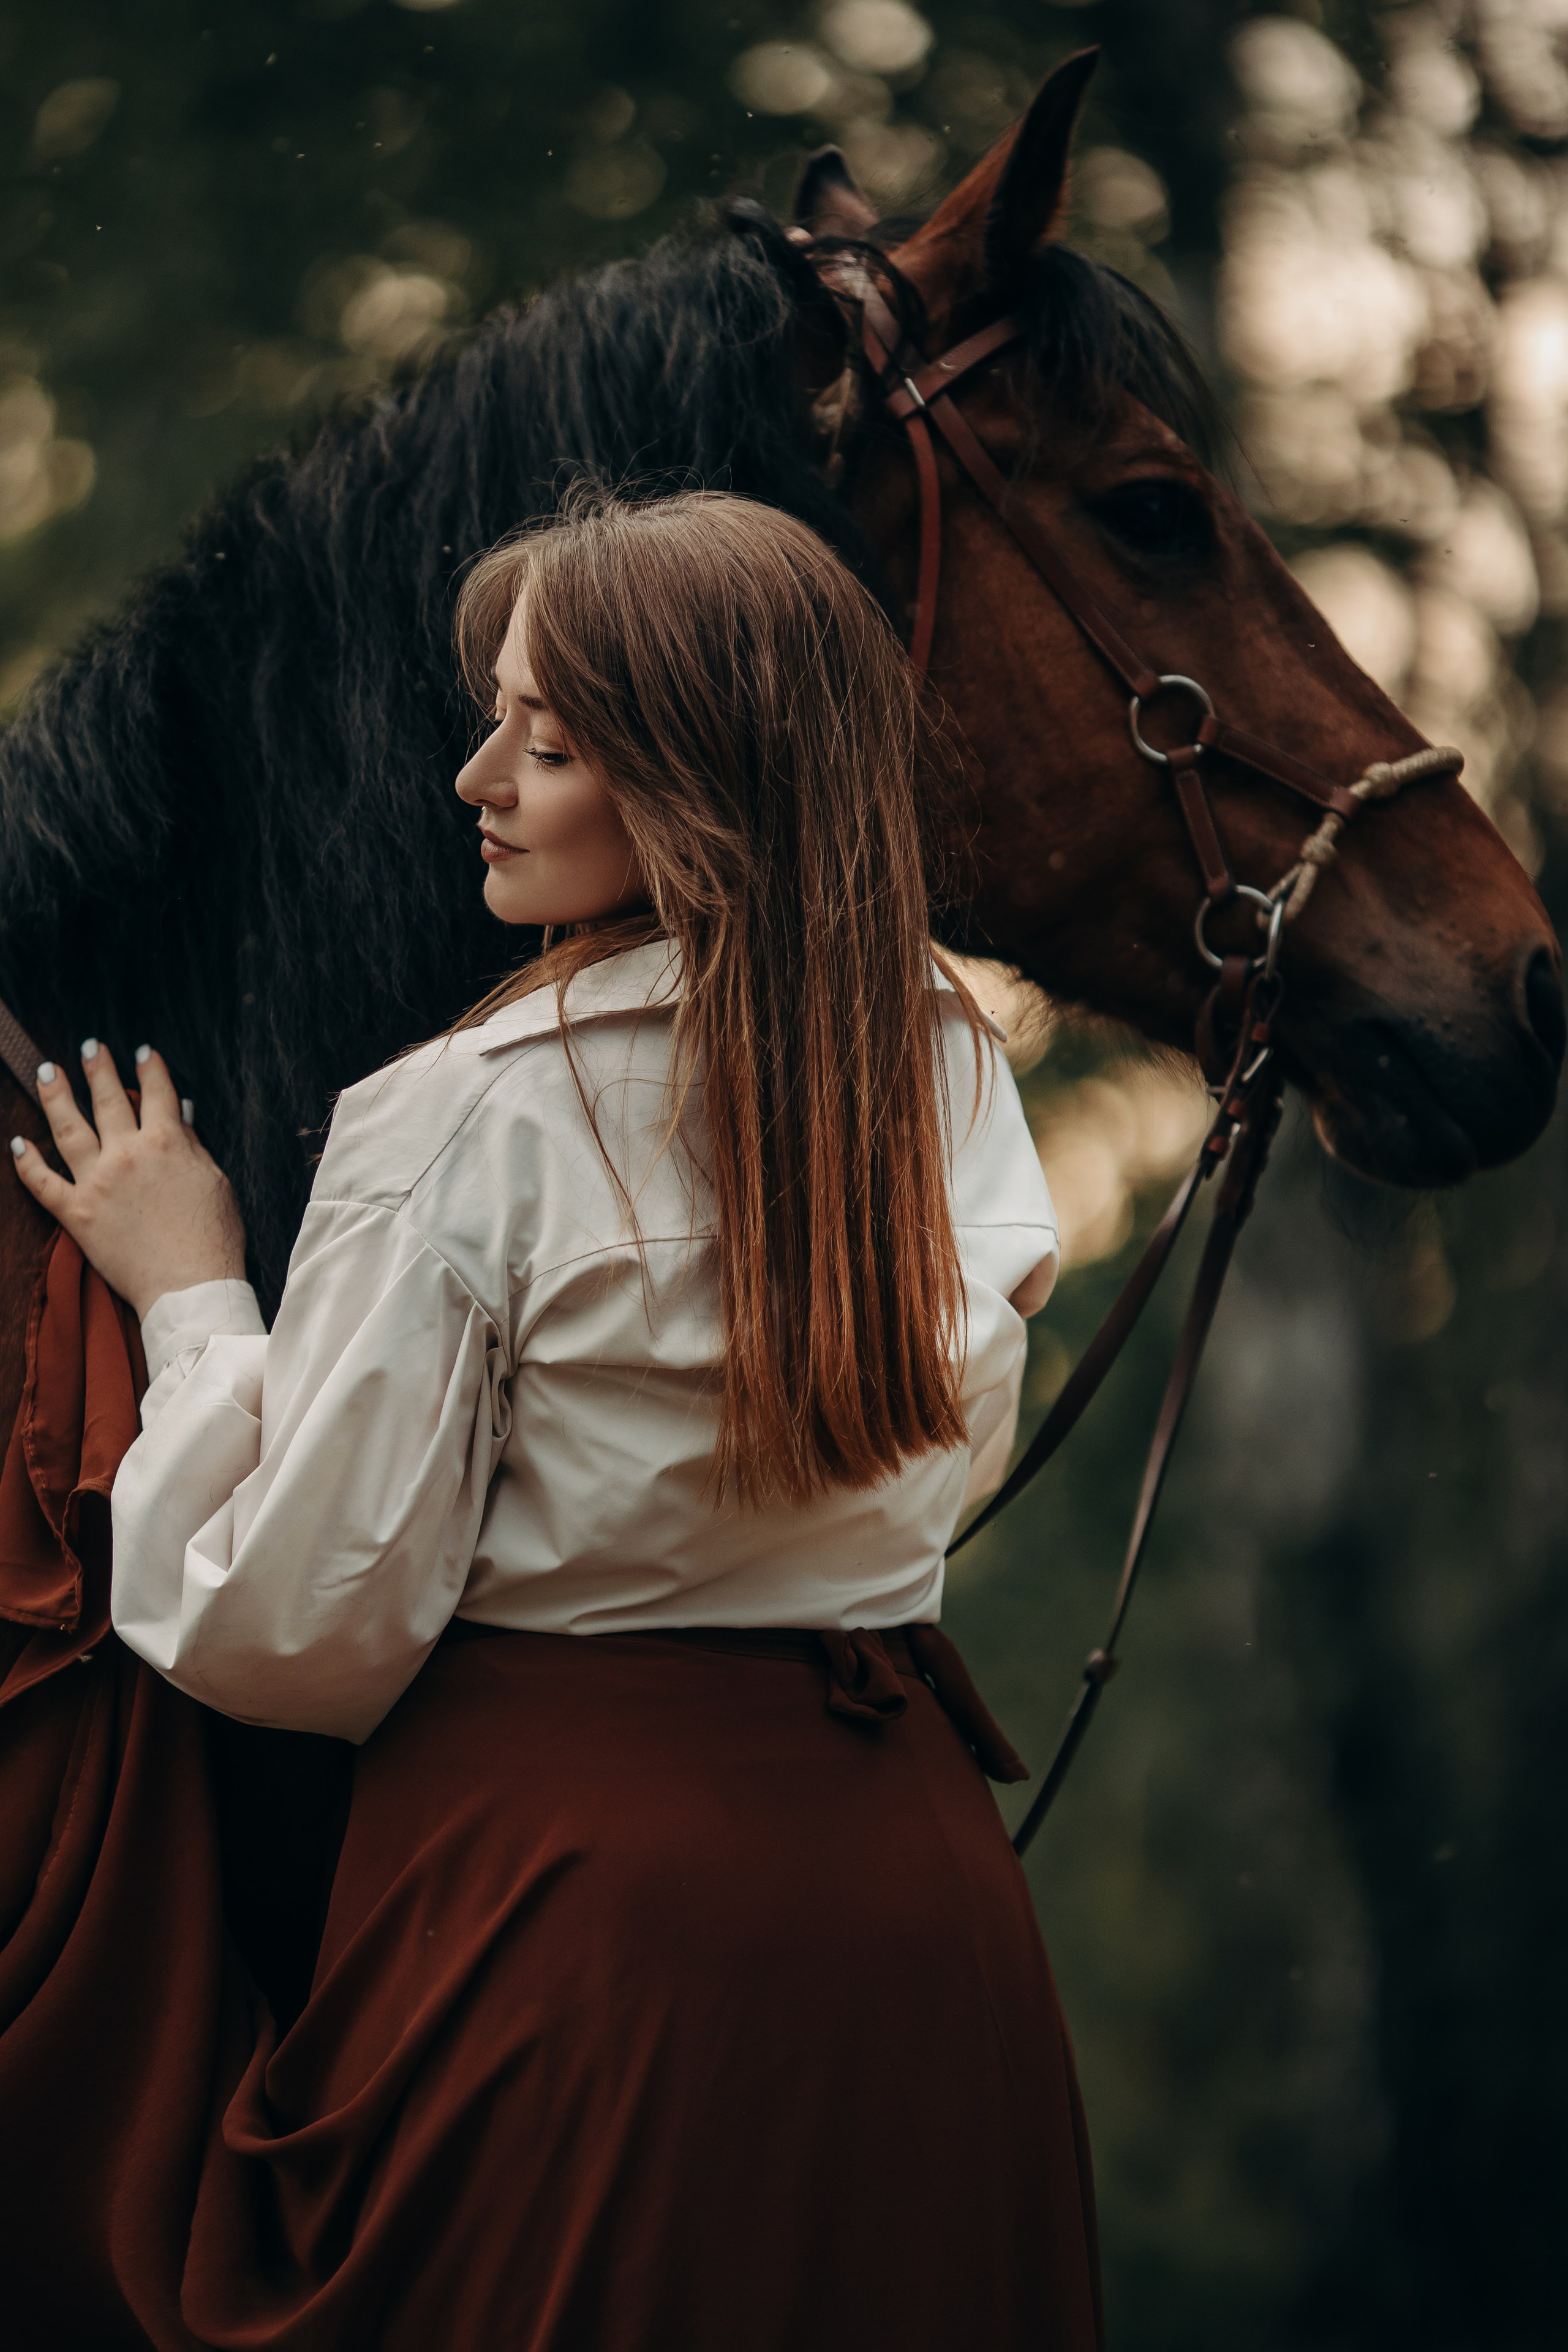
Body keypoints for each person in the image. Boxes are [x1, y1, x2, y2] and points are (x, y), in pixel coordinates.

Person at [9, 490, 1101, 2351]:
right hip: (917, 1906)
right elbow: (948, 1434)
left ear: (699, 776)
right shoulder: (934, 1056)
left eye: (549, 739)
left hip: (584, 1916)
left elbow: (299, 1626)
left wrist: (191, 1291)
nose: (475, 779)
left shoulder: (466, 1117)